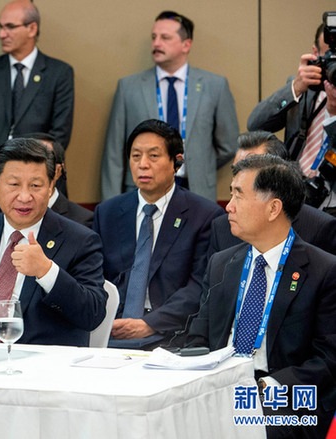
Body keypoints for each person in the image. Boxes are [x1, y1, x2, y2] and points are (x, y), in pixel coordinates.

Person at [187, 154, 336, 438]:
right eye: (230, 194)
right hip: (217, 389)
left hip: (283, 399)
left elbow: (328, 359)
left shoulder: (323, 271)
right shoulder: (222, 264)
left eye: (239, 195)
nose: (228, 206)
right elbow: (198, 337)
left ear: (273, 208)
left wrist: (267, 387)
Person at [0, 138, 106, 347]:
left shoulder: (80, 240)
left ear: (51, 186)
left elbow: (92, 315)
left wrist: (46, 271)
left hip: (40, 363)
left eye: (35, 185)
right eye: (14, 184)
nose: (24, 197)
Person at [93, 119, 223, 349]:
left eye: (153, 156)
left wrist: (149, 324)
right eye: (136, 156)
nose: (143, 165)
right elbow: (94, 277)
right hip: (112, 330)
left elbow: (200, 286)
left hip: (170, 335)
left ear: (177, 162)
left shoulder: (204, 215)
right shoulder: (107, 213)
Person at [101, 10, 238, 202]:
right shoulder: (128, 87)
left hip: (195, 190)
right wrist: (111, 205)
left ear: (186, 44)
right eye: (154, 37)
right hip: (142, 191)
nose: (156, 43)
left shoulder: (215, 86)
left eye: (165, 38)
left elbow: (229, 145)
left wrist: (197, 165)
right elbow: (114, 154)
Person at [0, 0, 74, 214]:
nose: (2, 34)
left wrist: (30, 181)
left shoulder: (59, 73)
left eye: (10, 27)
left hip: (39, 193)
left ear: (32, 28)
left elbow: (59, 135)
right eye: (0, 27)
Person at [208, 130, 336, 257]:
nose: (240, 177)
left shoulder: (319, 228)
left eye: (252, 170)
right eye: (236, 170)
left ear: (280, 173)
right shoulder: (221, 228)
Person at [247, 24, 329, 177]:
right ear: (315, 53)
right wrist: (295, 89)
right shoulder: (305, 87)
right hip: (298, 184)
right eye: (330, 55)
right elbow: (255, 125)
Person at [20, 132, 93, 228]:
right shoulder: (5, 213)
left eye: (39, 162)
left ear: (58, 171)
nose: (29, 170)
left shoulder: (81, 221)